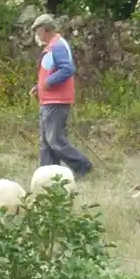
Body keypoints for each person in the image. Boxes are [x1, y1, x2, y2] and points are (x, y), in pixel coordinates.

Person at [28, 13, 93, 178]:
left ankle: (82, 165)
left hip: (57, 100)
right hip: (48, 100)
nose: (36, 35)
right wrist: (39, 86)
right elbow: (50, 72)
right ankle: (49, 175)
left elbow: (67, 69)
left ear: (44, 29)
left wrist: (48, 83)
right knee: (46, 142)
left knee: (54, 140)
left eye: (37, 32)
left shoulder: (57, 46)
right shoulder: (51, 46)